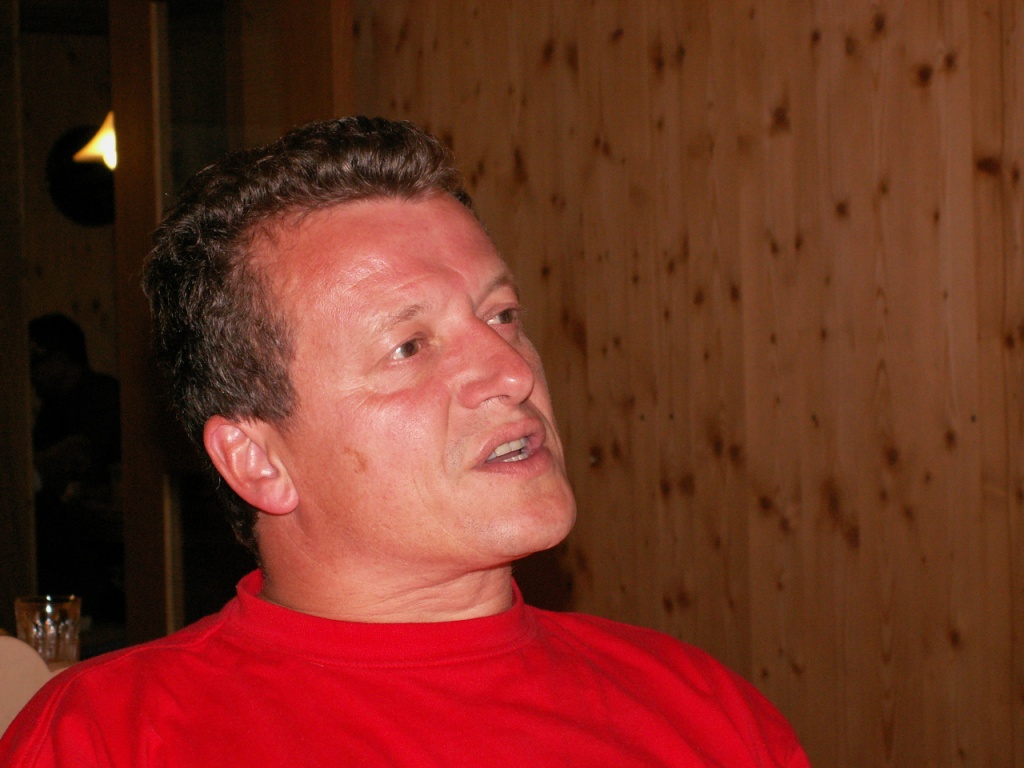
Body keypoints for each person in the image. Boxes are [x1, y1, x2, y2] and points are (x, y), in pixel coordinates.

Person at [1, 117, 810, 766]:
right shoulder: (103, 740)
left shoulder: (705, 710)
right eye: (410, 346)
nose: (511, 371)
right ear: (259, 460)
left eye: (502, 316)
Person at [28, 313, 124, 624]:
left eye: (38, 362)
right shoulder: (51, 407)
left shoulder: (102, 396)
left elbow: (86, 465)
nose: (32, 374)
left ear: (63, 358)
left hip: (105, 535)